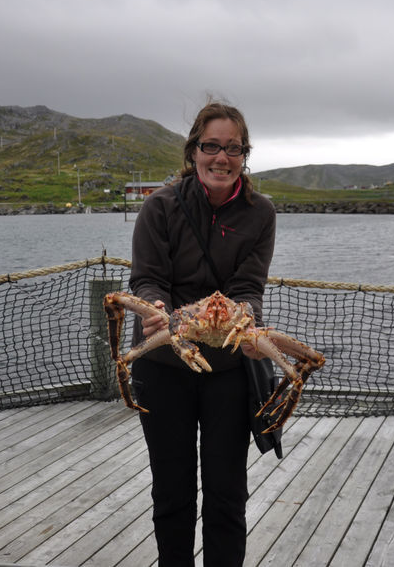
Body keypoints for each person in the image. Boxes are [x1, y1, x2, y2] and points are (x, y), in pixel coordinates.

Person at [129, 99, 276, 566]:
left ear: (244, 155)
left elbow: (249, 288)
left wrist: (245, 313)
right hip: (164, 364)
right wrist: (155, 308)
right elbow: (147, 277)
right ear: (193, 151)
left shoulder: (260, 213)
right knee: (172, 491)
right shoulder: (160, 207)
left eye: (234, 148)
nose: (222, 158)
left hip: (228, 369)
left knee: (227, 493)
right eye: (211, 146)